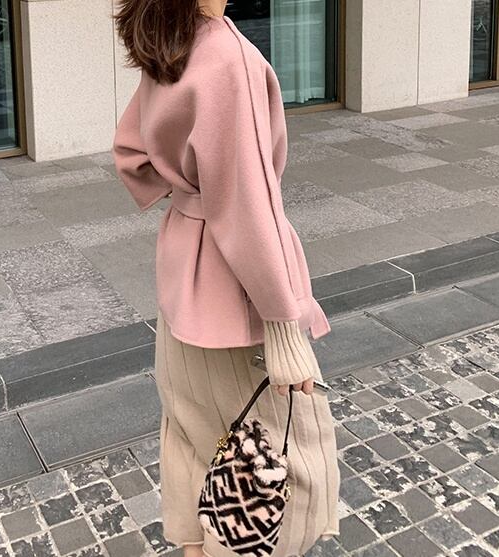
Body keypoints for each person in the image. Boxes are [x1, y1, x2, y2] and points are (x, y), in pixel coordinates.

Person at [111, 1, 340, 556]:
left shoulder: (169, 36)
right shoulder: (225, 54)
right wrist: (284, 326)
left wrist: (186, 189)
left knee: (195, 439)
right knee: (285, 457)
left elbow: (133, 155)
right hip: (236, 293)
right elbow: (245, 205)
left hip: (184, 279)